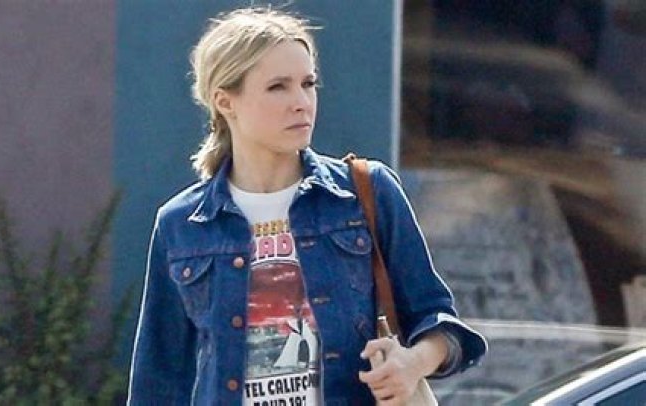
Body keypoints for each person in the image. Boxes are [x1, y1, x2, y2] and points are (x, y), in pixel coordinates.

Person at [128, 6, 487, 405]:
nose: (301, 102)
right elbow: (156, 383)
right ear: (225, 101)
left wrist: (411, 363)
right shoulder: (183, 224)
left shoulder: (364, 193)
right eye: (278, 87)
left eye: (308, 83)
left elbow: (441, 324)